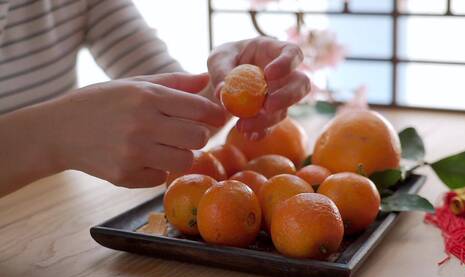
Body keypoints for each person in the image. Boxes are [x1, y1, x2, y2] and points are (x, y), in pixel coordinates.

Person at [0, 0, 310, 197]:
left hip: (48, 221)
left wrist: (227, 84)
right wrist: (55, 136)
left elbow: (173, 109)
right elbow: (62, 135)